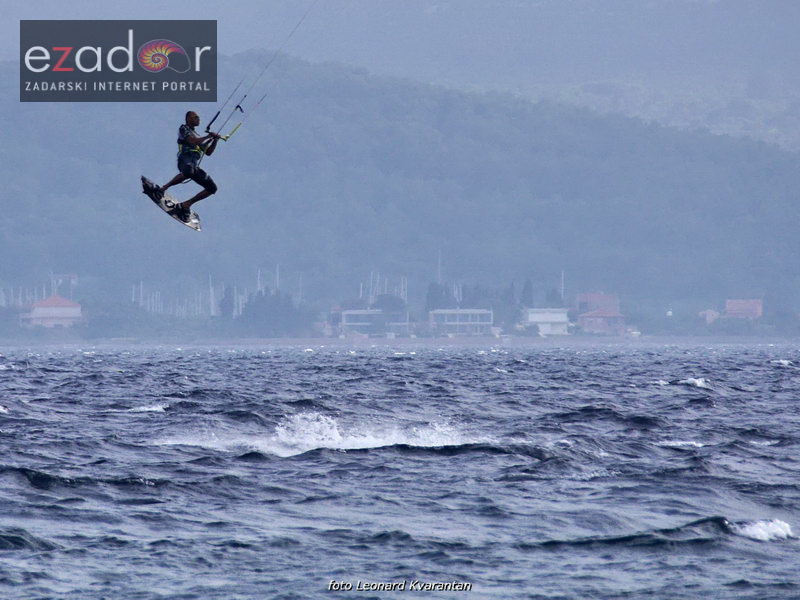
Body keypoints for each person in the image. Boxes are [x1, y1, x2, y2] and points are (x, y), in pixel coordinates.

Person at [158, 111, 221, 222]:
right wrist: (207, 136)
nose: (198, 119)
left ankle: (186, 204)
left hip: (194, 166)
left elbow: (209, 152)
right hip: (184, 160)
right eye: (195, 117)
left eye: (199, 117)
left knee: (212, 188)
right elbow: (192, 141)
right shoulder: (183, 128)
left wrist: (215, 140)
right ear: (188, 118)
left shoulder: (198, 135)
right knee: (189, 171)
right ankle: (164, 188)